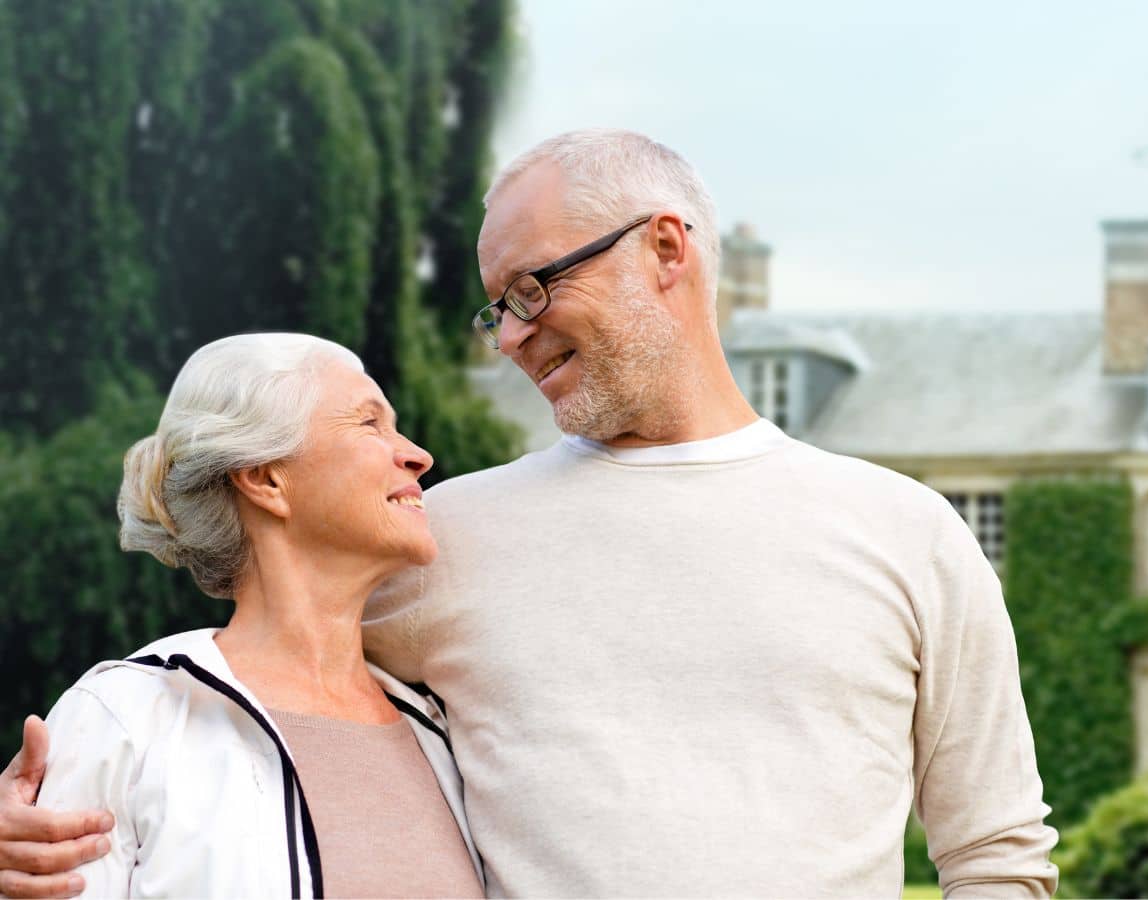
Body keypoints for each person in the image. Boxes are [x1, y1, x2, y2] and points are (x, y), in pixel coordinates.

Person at [1, 130, 1057, 897]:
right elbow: (245, 672)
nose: (508, 337)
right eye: (494, 306)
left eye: (533, 289)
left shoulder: (906, 533)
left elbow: (998, 858)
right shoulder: (436, 539)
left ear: (666, 252)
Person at [1, 334, 483, 898]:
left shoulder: (442, 734)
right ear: (266, 479)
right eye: (369, 424)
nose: (418, 456)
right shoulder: (128, 720)